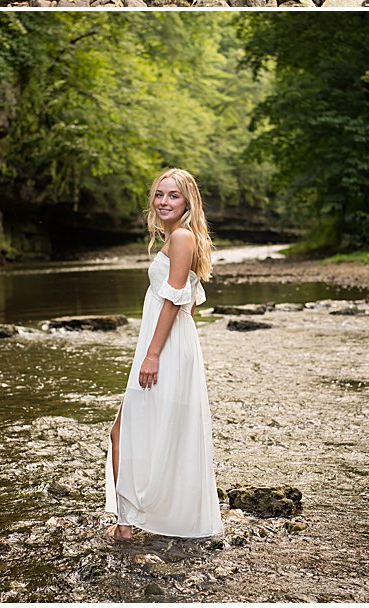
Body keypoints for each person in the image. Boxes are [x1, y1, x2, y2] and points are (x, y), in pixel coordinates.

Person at [106, 168, 223, 540]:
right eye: (159, 194)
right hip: (165, 340)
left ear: (188, 201)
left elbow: (175, 300)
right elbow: (183, 298)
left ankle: (134, 522)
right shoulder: (176, 238)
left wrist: (153, 354)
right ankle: (135, 519)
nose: (163, 202)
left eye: (173, 195)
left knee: (125, 430)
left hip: (167, 346)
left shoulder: (183, 237)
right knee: (142, 429)